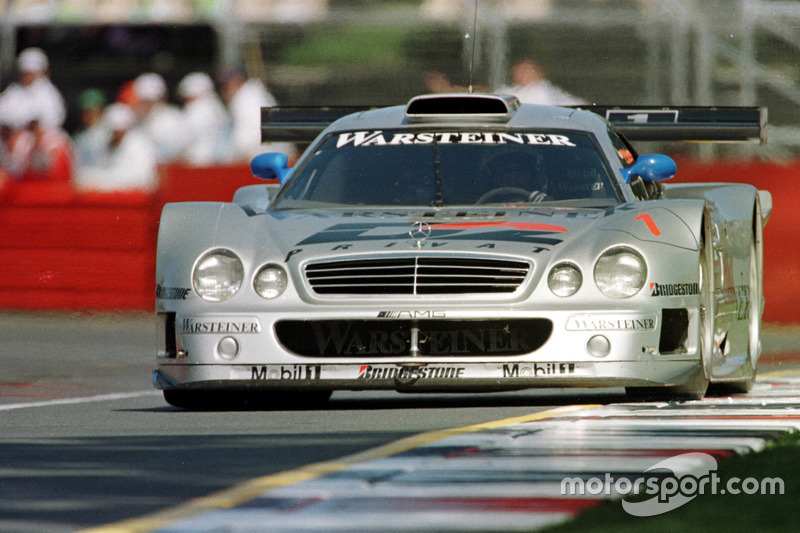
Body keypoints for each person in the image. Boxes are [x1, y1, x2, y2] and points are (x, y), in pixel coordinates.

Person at [217, 66, 295, 163]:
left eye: (226, 86)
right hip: (277, 152)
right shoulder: (254, 93)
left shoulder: (246, 99)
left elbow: (249, 139)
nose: (224, 91)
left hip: (263, 155)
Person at [73, 103, 158, 192]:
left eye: (116, 131)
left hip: (137, 197)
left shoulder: (139, 145)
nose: (113, 135)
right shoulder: (108, 144)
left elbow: (138, 178)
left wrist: (99, 180)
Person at [2, 48, 67, 129]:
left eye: (30, 73)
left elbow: (53, 119)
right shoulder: (13, 91)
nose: (27, 76)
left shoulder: (49, 93)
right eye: (24, 73)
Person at [177, 72, 229, 166]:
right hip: (220, 160)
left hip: (199, 161)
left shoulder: (197, 108)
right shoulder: (217, 106)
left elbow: (183, 137)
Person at [132, 72, 184, 163]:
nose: (141, 105)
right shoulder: (140, 121)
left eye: (146, 101)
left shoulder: (173, 119)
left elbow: (175, 155)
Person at [495, 59, 585, 106]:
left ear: (539, 73)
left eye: (528, 70)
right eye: (520, 71)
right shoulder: (507, 92)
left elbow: (578, 106)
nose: (524, 74)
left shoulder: (549, 92)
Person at [73, 88, 111, 169]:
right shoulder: (79, 135)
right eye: (86, 112)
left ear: (101, 111)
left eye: (93, 111)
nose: (89, 116)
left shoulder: (110, 133)